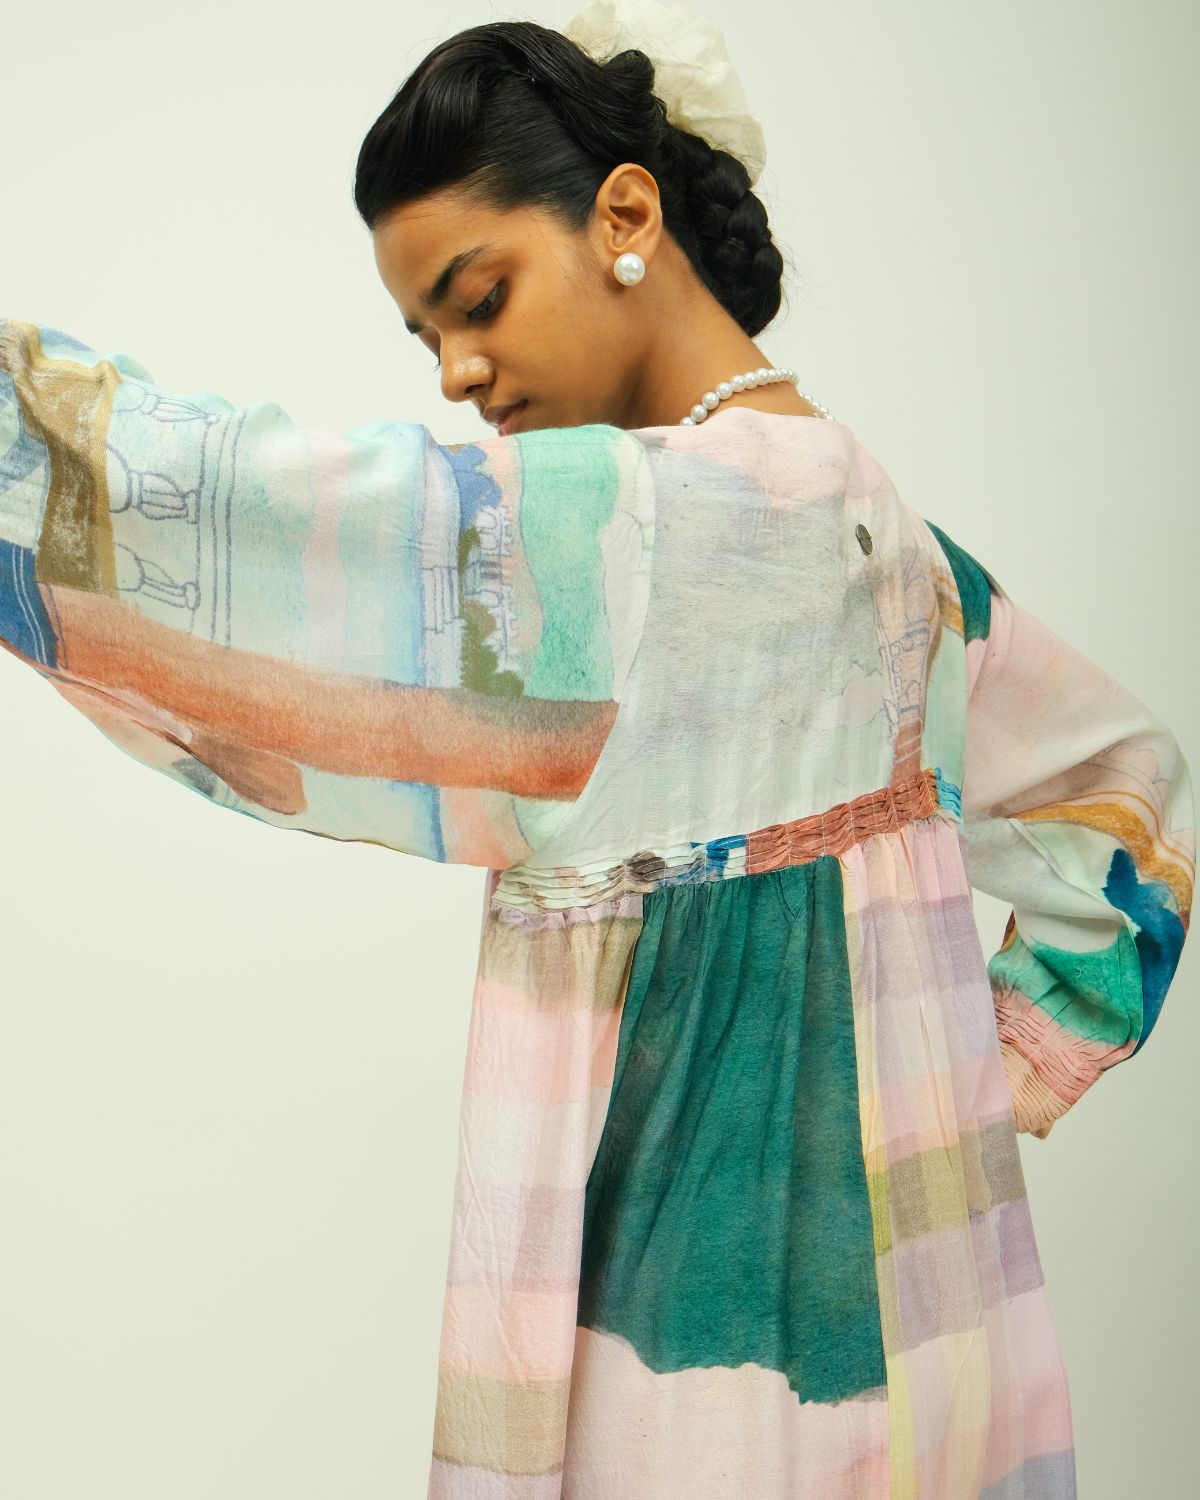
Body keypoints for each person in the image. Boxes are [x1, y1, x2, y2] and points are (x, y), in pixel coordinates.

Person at [0, 2, 1192, 1495]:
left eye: (477, 298)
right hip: (944, 1320)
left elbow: (222, 505)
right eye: (428, 334)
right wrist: (965, 1084)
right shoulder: (898, 546)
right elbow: (1126, 796)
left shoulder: (628, 535)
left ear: (627, 216)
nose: (454, 369)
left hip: (705, 1360)